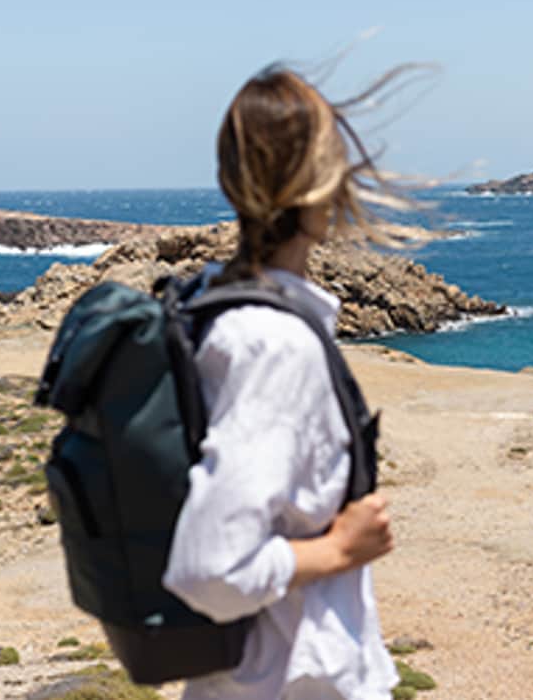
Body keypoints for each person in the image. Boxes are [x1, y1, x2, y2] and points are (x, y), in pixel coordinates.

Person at [162, 65, 401, 700]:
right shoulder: (274, 344)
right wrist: (342, 548)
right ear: (324, 179)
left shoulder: (217, 310)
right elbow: (211, 568)